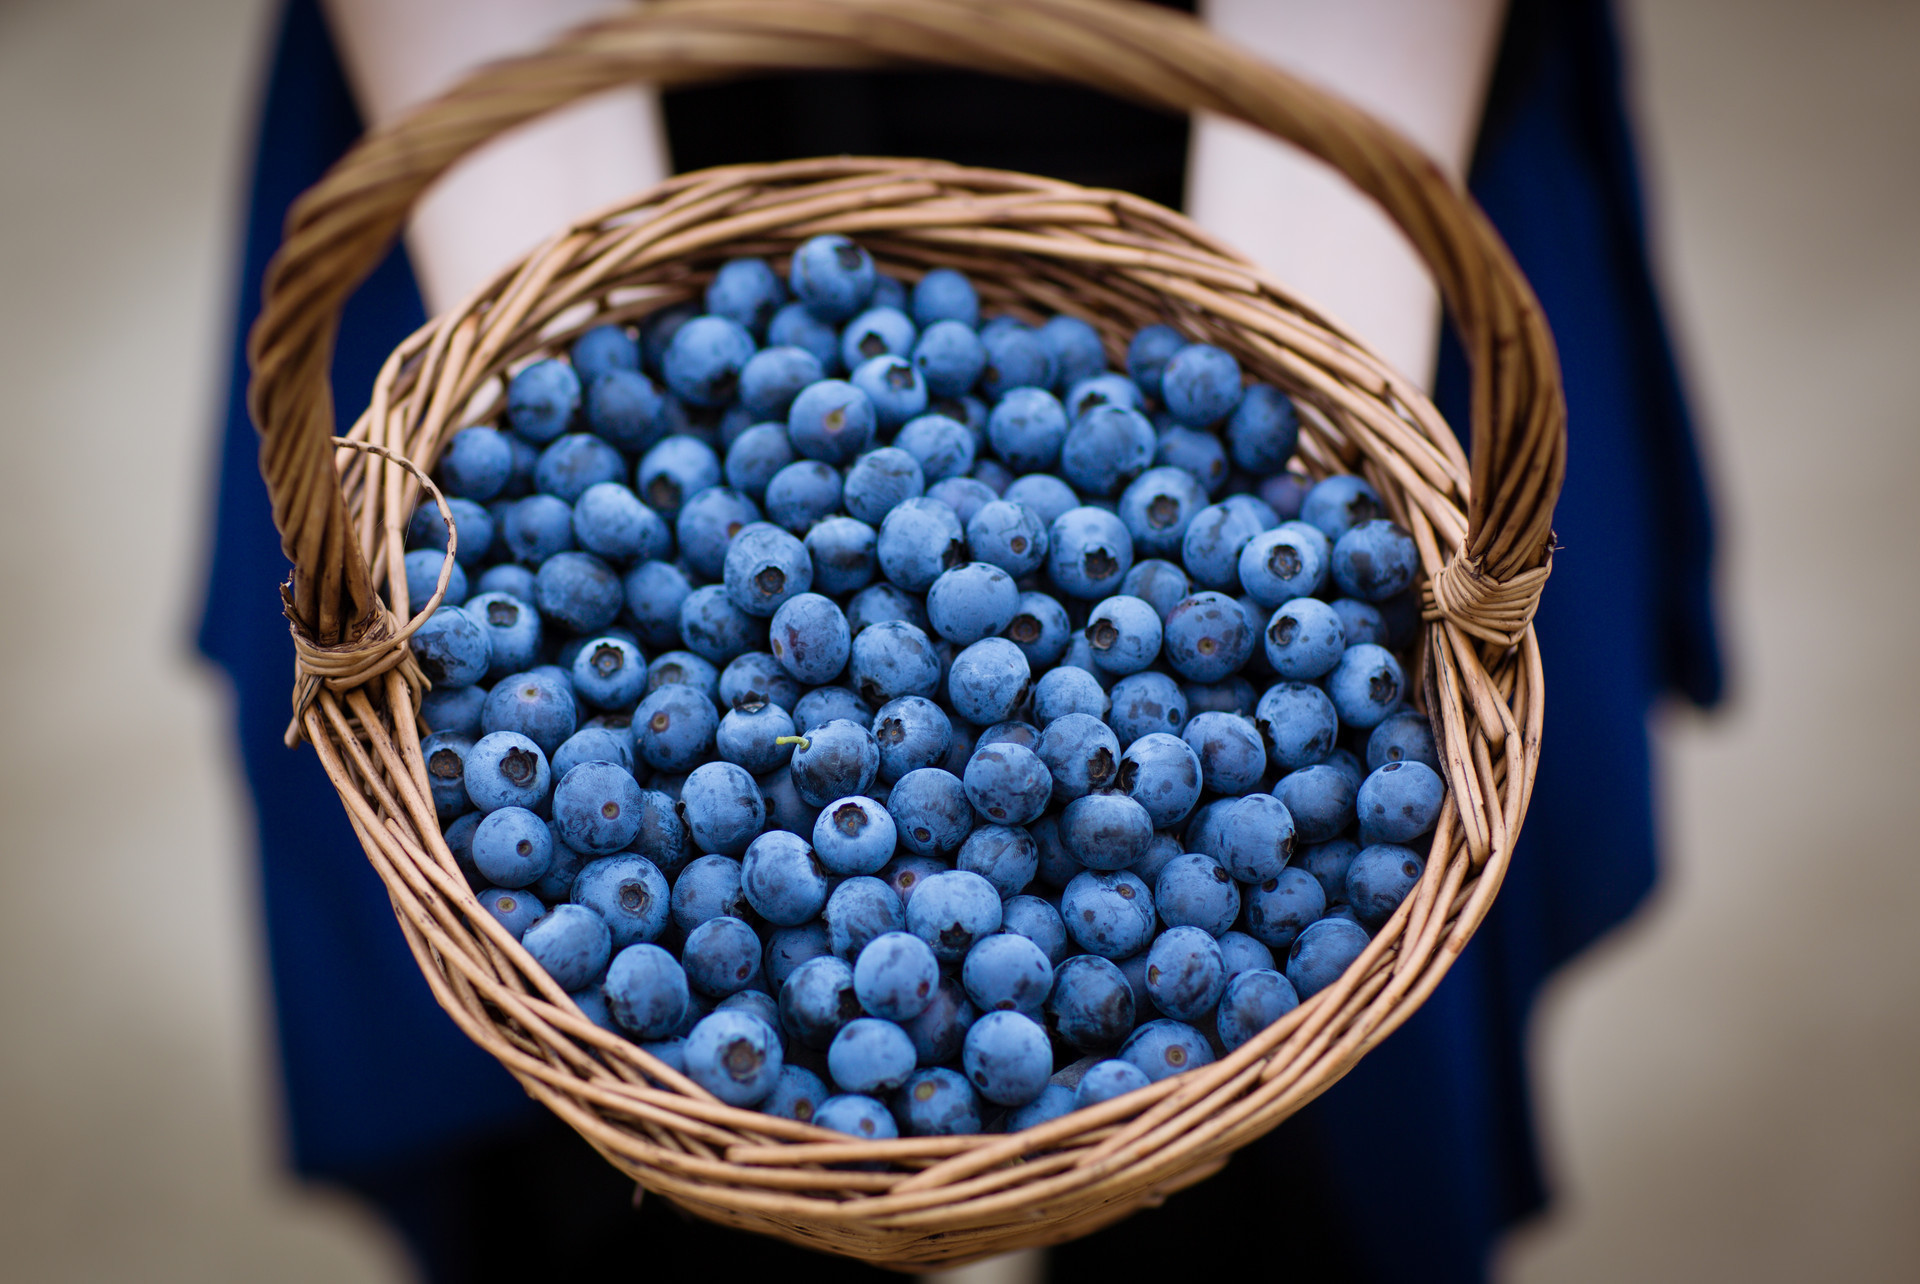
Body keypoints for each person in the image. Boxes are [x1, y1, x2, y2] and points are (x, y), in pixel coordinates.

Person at [198, 1, 1722, 1279]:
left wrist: (1304, 370)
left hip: (1294, 170)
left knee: (1296, 1195)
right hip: (577, 153)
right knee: (608, 1209)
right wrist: (570, 343)